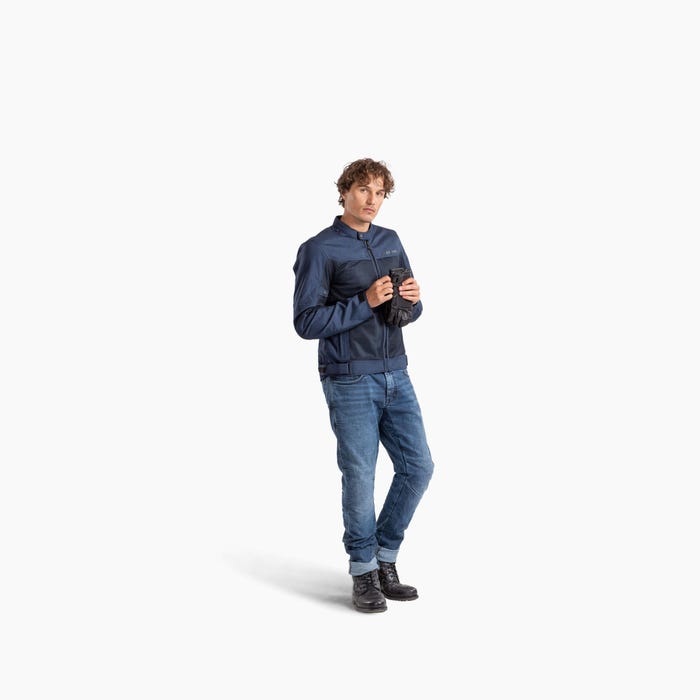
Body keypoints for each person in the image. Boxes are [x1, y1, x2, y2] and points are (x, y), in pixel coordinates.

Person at [292, 158, 434, 613]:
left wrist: (413, 302)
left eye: (379, 193)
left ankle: (385, 557)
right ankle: (363, 570)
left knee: (419, 467)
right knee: (360, 476)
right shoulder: (319, 249)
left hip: (397, 372)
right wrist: (364, 301)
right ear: (344, 192)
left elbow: (408, 309)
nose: (371, 200)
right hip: (349, 376)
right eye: (363, 190)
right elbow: (306, 322)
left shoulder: (390, 240)